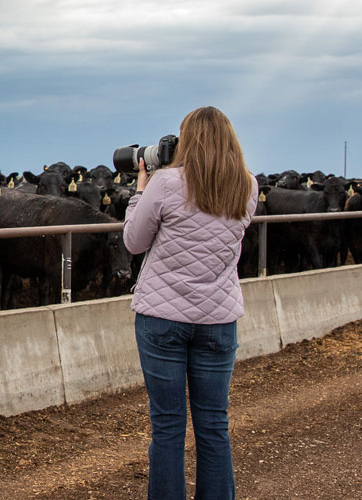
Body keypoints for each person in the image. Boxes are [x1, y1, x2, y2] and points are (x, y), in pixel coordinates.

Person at [120, 106, 256, 500]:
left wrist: (139, 191)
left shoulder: (165, 183)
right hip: (218, 318)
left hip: (162, 318)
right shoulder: (247, 186)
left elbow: (134, 242)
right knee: (214, 424)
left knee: (168, 425)